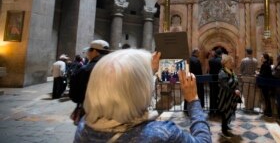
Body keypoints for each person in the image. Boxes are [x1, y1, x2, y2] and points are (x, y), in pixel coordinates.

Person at [74, 49, 211, 142]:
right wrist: (193, 100)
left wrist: (146, 71)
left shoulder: (83, 127)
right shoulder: (161, 134)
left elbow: (126, 90)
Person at [69, 40, 110, 124]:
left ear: (94, 51)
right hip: (112, 112)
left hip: (90, 111)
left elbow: (75, 96)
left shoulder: (85, 70)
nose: (87, 53)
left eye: (89, 50)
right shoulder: (117, 68)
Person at [218, 54, 241, 138]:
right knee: (225, 112)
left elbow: (235, 81)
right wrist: (234, 91)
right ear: (225, 63)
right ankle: (224, 130)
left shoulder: (231, 71)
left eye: (232, 61)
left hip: (231, 97)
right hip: (225, 97)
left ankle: (226, 126)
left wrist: (237, 89)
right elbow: (225, 86)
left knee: (229, 111)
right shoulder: (222, 72)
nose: (232, 63)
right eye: (230, 62)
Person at [258, 53, 273, 117]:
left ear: (265, 58)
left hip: (265, 84)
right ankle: (267, 111)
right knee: (266, 98)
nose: (261, 58)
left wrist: (258, 74)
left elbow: (264, 74)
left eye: (262, 57)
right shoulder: (267, 64)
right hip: (266, 83)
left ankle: (268, 112)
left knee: (266, 98)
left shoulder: (265, 65)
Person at [208, 48, 222, 114]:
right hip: (220, 80)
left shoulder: (210, 60)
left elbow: (209, 70)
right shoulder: (222, 60)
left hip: (212, 79)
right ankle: (219, 110)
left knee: (212, 94)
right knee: (220, 94)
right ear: (221, 54)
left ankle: (212, 109)